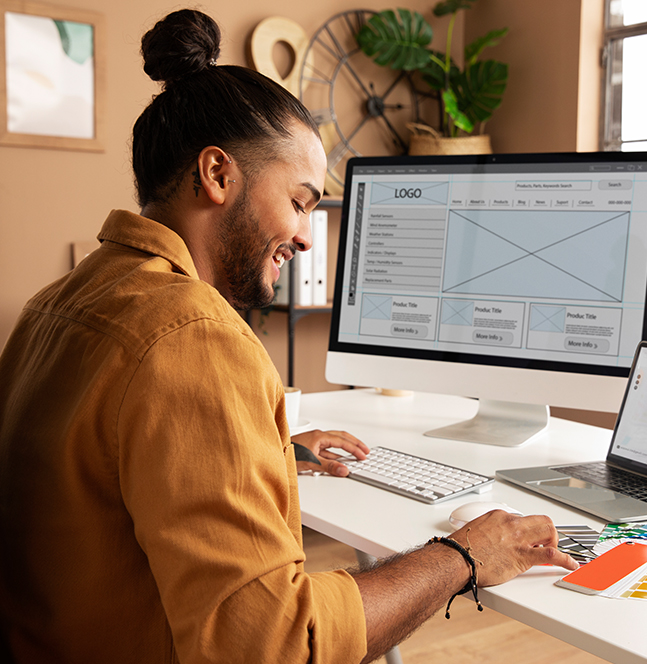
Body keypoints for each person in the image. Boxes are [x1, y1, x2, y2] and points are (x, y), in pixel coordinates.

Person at [0, 9, 578, 663]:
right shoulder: (196, 338)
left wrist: (259, 449)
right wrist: (464, 557)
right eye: (301, 201)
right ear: (218, 175)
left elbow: (100, 476)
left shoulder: (60, 303)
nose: (308, 235)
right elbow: (277, 647)